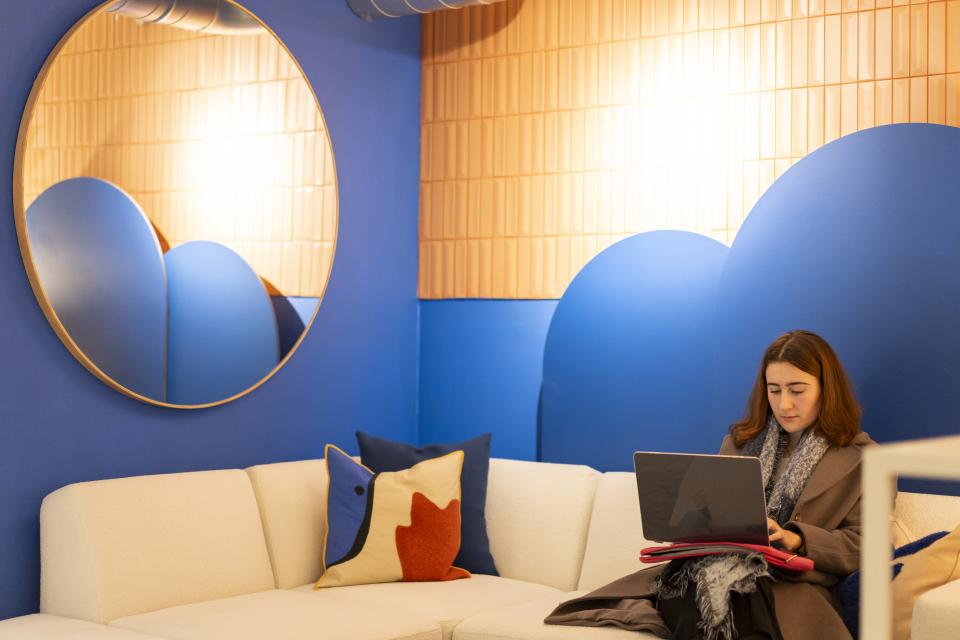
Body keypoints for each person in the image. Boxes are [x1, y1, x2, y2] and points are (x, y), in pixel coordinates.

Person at [546, 329, 876, 640]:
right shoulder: (738, 444)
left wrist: (796, 538)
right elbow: (707, 515)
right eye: (774, 390)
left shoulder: (863, 458)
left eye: (797, 390)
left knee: (732, 591)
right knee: (706, 582)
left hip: (789, 581)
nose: (784, 404)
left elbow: (866, 546)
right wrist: (693, 514)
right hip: (714, 566)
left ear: (825, 387)